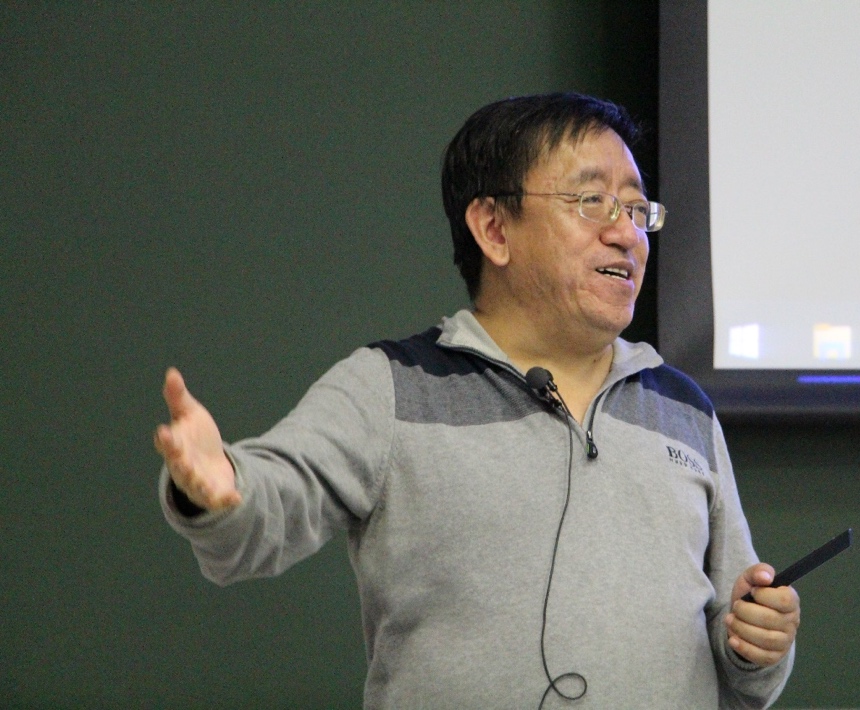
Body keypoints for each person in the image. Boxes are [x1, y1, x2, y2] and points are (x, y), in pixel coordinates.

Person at [156, 92, 799, 708]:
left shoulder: (683, 409)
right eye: (591, 201)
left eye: (635, 209)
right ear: (494, 228)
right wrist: (217, 489)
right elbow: (258, 518)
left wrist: (759, 643)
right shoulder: (394, 386)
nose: (626, 235)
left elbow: (740, 659)